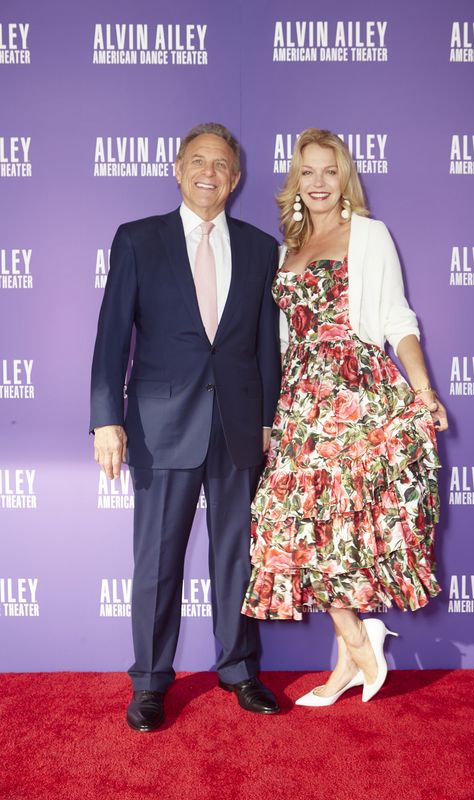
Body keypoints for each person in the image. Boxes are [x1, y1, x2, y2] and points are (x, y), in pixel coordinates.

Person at [241, 128, 448, 706]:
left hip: (355, 398)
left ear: (345, 177)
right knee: (301, 528)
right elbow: (279, 341)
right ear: (295, 182)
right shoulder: (287, 249)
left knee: (337, 533)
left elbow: (395, 318)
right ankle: (357, 648)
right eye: (307, 172)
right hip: (301, 406)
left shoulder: (369, 235)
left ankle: (355, 647)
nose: (319, 183)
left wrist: (423, 387)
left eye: (329, 171)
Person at [90, 123, 282, 731]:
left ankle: (239, 669)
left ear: (236, 177)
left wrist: (270, 422)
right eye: (198, 161)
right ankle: (149, 682)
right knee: (157, 560)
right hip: (159, 425)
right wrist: (105, 420)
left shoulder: (258, 248)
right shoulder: (138, 240)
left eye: (222, 164)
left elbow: (263, 349)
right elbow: (111, 337)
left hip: (237, 424)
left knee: (238, 557)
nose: (210, 173)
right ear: (178, 170)